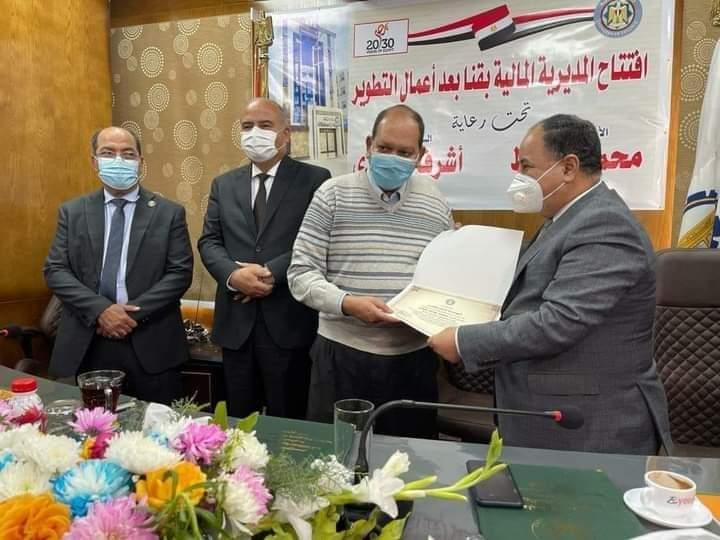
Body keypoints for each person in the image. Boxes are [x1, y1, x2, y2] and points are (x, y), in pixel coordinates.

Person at [429, 114, 672, 454]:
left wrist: (462, 341)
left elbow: (559, 321)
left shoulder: (604, 224)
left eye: (527, 167)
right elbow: (535, 283)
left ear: (568, 167)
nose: (519, 178)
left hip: (589, 425)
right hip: (553, 414)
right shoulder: (567, 218)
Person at [288, 104, 453, 438]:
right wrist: (348, 303)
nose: (393, 158)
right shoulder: (332, 194)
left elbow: (444, 278)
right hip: (341, 356)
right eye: (385, 148)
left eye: (404, 152)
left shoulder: (435, 202)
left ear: (420, 155)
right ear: (368, 145)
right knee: (337, 458)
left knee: (412, 458)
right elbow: (300, 274)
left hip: (413, 360)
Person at [198, 98, 330, 419]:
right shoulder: (224, 184)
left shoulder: (315, 180)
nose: (254, 132)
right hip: (236, 326)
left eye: (265, 125)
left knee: (290, 423)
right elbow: (209, 242)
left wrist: (272, 272)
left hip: (289, 322)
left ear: (285, 134)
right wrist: (233, 275)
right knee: (238, 424)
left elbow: (319, 241)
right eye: (247, 126)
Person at [44, 126, 193, 404]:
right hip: (88, 341)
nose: (119, 160)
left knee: (157, 426)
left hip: (150, 340)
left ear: (140, 162)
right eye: (108, 153)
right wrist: (102, 310)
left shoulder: (169, 213)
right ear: (94, 162)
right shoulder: (72, 212)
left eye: (128, 154)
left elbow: (179, 274)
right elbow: (56, 270)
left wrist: (128, 315)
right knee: (90, 427)